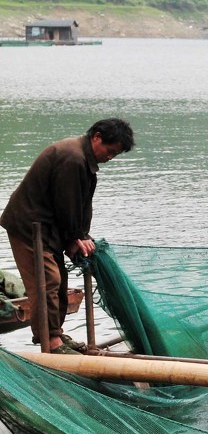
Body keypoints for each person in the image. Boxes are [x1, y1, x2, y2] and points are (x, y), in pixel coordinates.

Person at [0, 118, 134, 353]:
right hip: (29, 227)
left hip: (48, 228)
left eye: (116, 154)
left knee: (59, 282)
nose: (111, 157)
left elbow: (80, 206)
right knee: (47, 281)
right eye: (110, 151)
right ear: (97, 137)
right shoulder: (72, 158)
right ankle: (49, 340)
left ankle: (56, 335)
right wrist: (74, 237)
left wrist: (81, 236)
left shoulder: (82, 159)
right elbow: (67, 205)